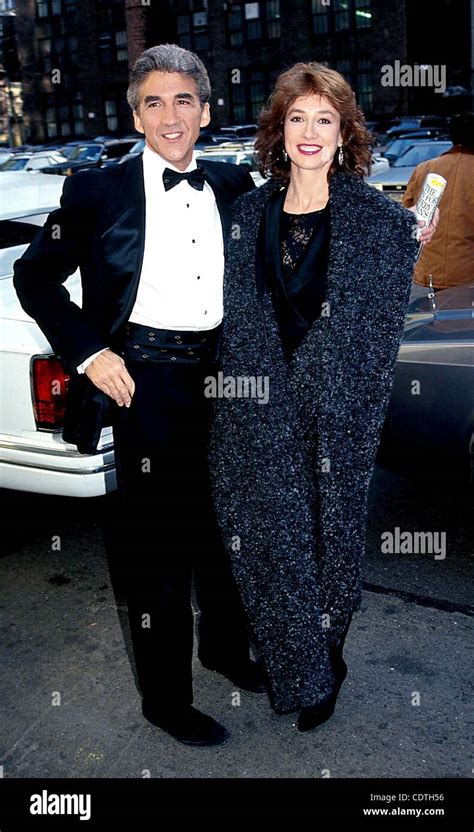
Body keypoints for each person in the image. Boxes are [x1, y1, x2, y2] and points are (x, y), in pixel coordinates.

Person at [13, 44, 264, 749]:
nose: (170, 114)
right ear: (135, 113)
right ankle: (165, 699)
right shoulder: (96, 191)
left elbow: (295, 252)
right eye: (153, 101)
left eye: (184, 99)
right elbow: (34, 279)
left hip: (225, 378)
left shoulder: (235, 183)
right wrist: (91, 354)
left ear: (207, 111)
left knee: (227, 530)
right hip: (142, 381)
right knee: (157, 549)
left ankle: (225, 649)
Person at [207, 62, 438, 732]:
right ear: (278, 132)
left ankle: (327, 659)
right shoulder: (244, 216)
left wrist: (411, 245)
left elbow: (379, 326)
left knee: (330, 541)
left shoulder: (375, 219)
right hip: (258, 410)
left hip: (337, 412)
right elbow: (228, 314)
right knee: (275, 545)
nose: (310, 132)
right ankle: (300, 663)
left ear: (345, 132)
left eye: (324, 119)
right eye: (297, 118)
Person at [403, 111, 474, 293]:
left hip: (432, 267)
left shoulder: (425, 168)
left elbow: (408, 213)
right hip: (468, 268)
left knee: (442, 318)